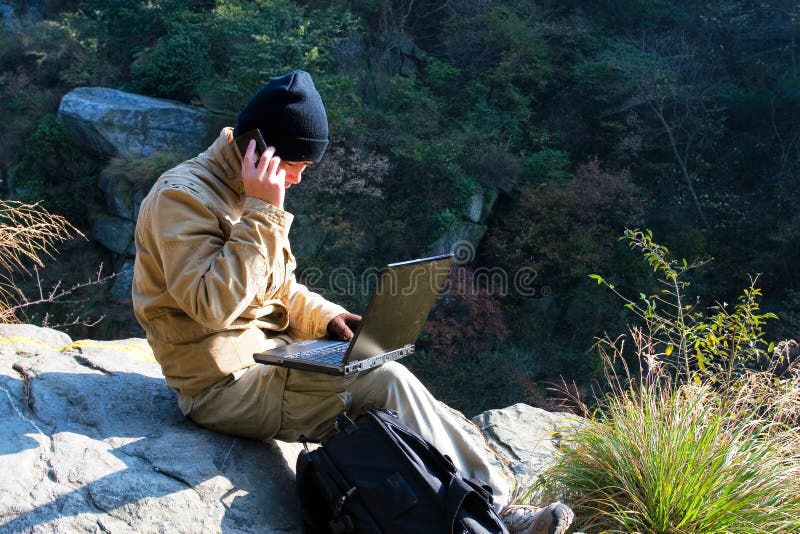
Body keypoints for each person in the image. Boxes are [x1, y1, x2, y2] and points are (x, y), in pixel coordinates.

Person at [132, 69, 573, 534]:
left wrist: (329, 320)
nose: (299, 179)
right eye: (297, 165)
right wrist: (265, 214)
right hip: (222, 384)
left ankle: (474, 503)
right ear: (259, 152)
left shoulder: (245, 189)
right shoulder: (181, 199)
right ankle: (498, 511)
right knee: (384, 382)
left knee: (377, 365)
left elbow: (280, 288)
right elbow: (211, 306)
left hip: (270, 358)